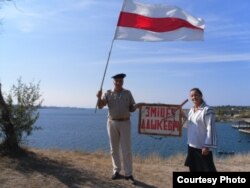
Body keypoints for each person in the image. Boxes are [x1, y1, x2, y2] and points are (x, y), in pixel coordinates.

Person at [96, 73, 142, 183]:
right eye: (116, 81)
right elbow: (100, 106)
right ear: (113, 81)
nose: (118, 83)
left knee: (127, 149)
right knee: (113, 149)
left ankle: (129, 174)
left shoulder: (128, 93)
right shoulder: (108, 93)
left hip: (125, 122)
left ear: (123, 82)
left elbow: (131, 108)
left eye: (120, 81)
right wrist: (98, 98)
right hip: (112, 122)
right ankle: (116, 170)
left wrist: (137, 106)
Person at [184, 88, 217, 172]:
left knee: (208, 170)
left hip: (202, 147)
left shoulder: (207, 110)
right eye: (192, 96)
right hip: (191, 145)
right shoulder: (191, 110)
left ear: (201, 96)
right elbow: (189, 124)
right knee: (193, 169)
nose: (194, 97)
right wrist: (181, 114)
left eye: (196, 95)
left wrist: (207, 146)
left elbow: (211, 128)